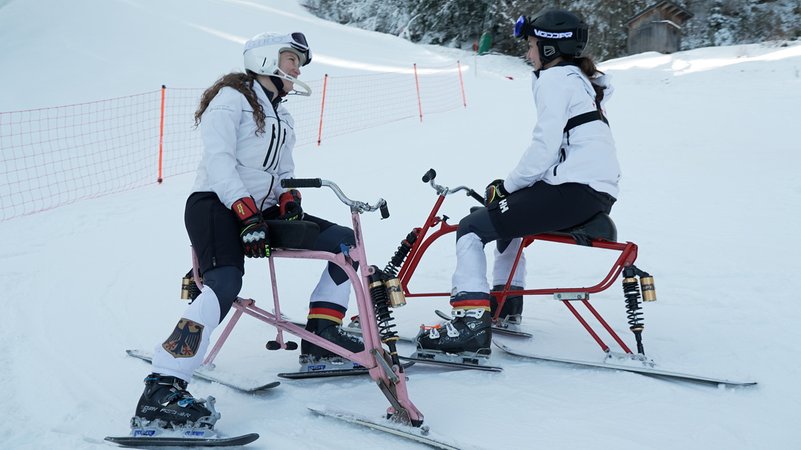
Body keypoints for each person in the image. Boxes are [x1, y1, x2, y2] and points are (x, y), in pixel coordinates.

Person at [131, 31, 363, 431]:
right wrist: (245, 211)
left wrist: (288, 198)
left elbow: (283, 170)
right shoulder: (232, 99)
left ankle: (321, 334)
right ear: (266, 58)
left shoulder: (283, 114)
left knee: (344, 242)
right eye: (292, 59)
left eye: (300, 62)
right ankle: (162, 386)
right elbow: (219, 161)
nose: (298, 68)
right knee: (224, 282)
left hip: (262, 211)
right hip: (215, 205)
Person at [416, 9, 621, 359]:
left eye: (531, 45)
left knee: (470, 228)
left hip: (574, 189)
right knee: (502, 220)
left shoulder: (556, 80)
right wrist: (510, 190)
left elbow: (544, 148)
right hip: (590, 191)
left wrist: (509, 187)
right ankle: (506, 303)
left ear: (550, 49)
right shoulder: (577, 81)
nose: (527, 54)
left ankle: (470, 323)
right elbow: (562, 152)